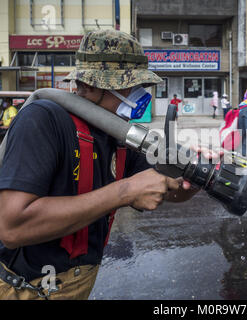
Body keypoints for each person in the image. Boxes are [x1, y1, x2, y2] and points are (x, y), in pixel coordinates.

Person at [0, 30, 214, 300]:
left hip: (75, 286)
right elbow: (12, 227)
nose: (140, 95)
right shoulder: (43, 120)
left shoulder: (119, 135)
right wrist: (124, 191)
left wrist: (190, 177)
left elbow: (164, 188)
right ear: (90, 86)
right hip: (23, 289)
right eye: (130, 86)